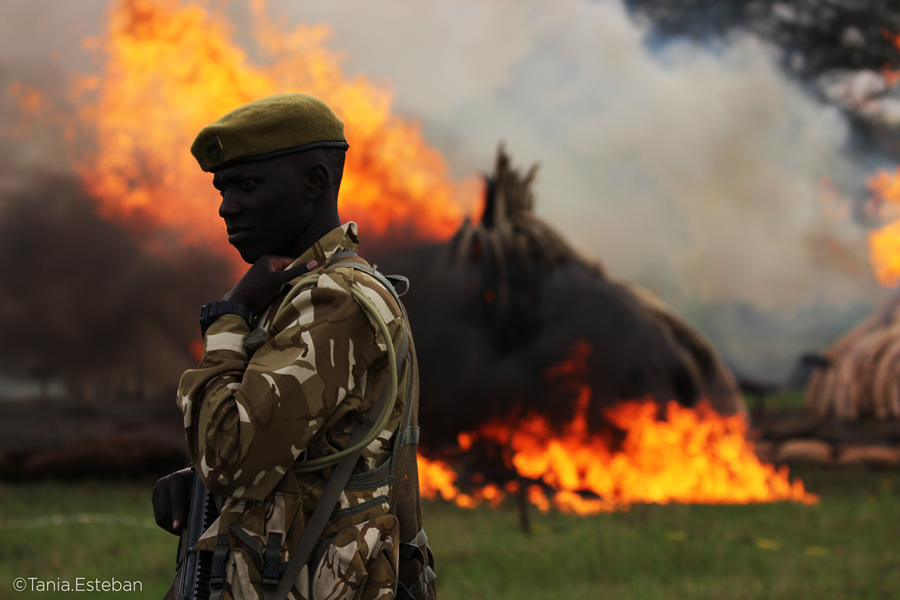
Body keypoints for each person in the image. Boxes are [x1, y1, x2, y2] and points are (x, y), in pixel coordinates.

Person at [152, 93, 434, 600]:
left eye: (247, 184)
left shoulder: (333, 299)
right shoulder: (299, 293)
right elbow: (299, 452)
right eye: (222, 188)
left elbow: (231, 457)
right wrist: (202, 484)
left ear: (314, 182)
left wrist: (228, 318)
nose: (226, 205)